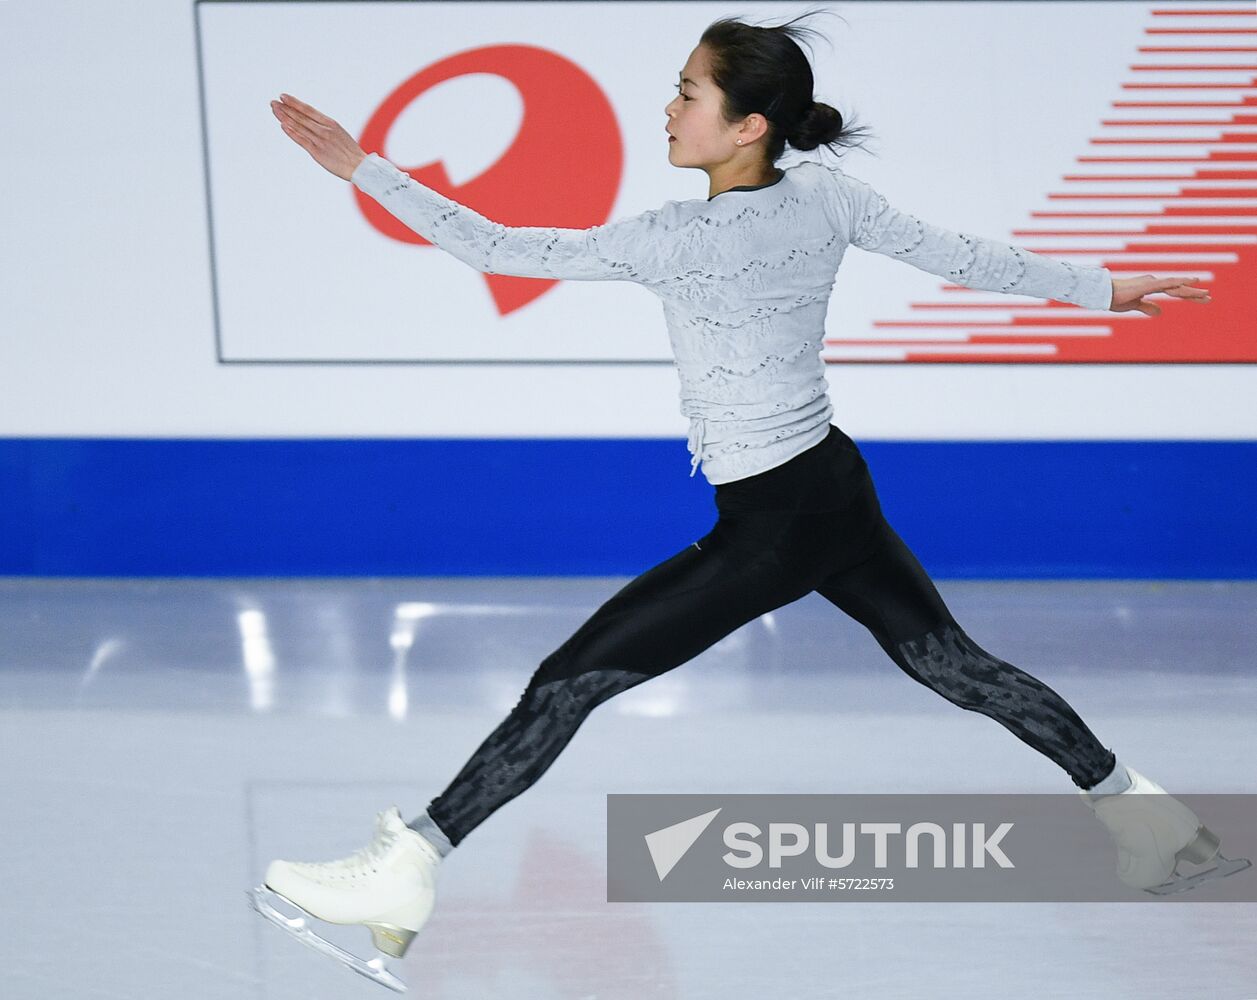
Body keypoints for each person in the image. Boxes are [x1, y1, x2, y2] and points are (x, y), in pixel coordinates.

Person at [252, 9, 1236, 992]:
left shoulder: (674, 238)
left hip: (776, 525)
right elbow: (968, 257)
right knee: (955, 665)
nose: (670, 106)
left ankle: (408, 867)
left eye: (689, 91)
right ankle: (1151, 822)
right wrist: (1107, 288)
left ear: (746, 125)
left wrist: (365, 167)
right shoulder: (827, 201)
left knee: (568, 680)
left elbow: (499, 248)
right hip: (832, 487)